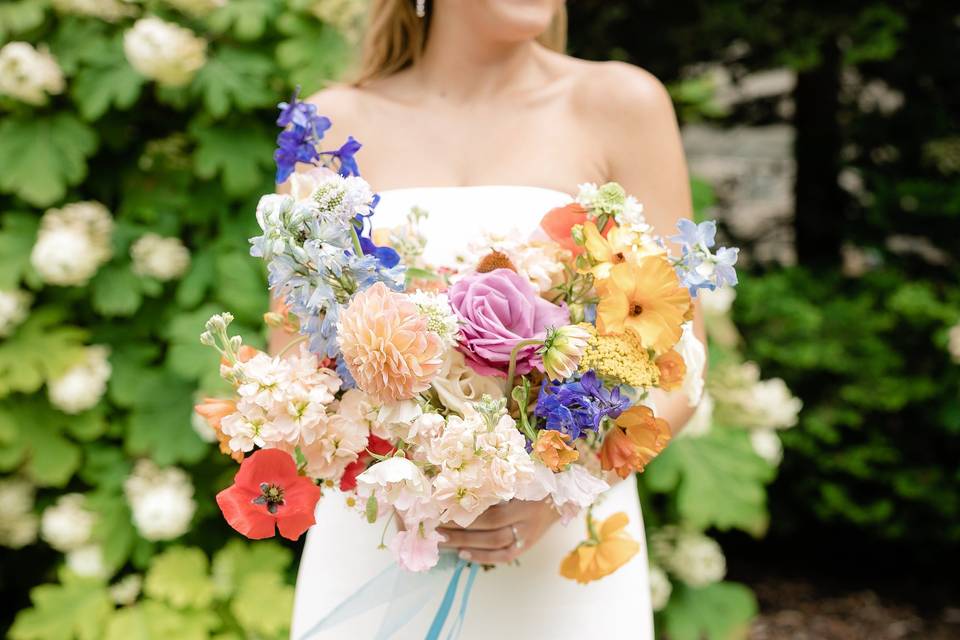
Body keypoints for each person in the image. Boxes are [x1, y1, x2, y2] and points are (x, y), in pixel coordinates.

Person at [284, 1, 705, 637]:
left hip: (561, 553)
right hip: (381, 535)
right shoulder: (332, 123)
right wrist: (412, 474)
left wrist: (556, 482)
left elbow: (682, 364)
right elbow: (297, 367)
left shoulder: (623, 102)